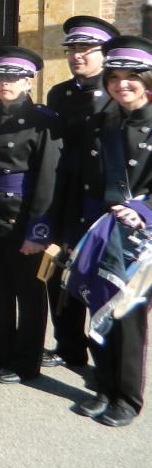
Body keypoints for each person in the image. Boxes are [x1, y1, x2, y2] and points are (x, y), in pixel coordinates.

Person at [65, 35, 152, 427]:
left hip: (141, 237)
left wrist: (145, 213)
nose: (121, 84)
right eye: (114, 77)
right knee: (97, 305)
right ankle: (103, 384)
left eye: (131, 76)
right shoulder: (102, 123)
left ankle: (127, 397)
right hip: (100, 229)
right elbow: (81, 177)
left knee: (129, 316)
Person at [0, 47, 62, 384]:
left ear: (28, 81)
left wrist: (38, 233)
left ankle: (26, 362)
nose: (4, 84)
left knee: (29, 295)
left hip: (21, 219)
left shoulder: (43, 121)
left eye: (13, 78)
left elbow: (48, 181)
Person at [42, 16, 119, 369]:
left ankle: (106, 363)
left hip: (102, 202)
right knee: (59, 274)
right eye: (72, 50)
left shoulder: (118, 95)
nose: (77, 56)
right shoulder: (60, 94)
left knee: (103, 284)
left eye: (86, 50)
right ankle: (68, 345)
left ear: (105, 53)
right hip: (65, 197)